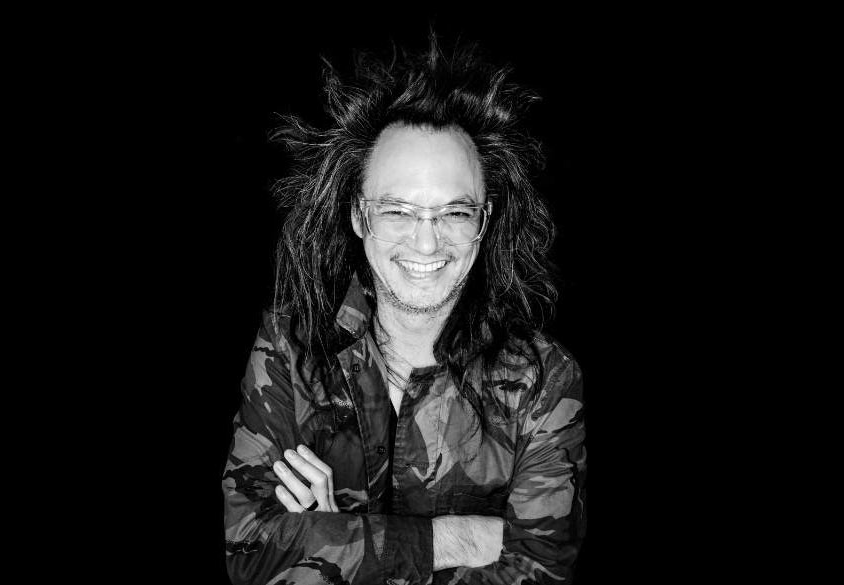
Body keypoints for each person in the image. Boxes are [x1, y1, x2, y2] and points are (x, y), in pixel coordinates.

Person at [222, 35, 586, 585]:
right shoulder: (289, 348)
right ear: (358, 215)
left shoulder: (545, 381)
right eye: (397, 210)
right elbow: (247, 550)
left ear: (484, 222)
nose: (426, 242)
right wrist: (460, 538)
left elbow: (541, 570)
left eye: (455, 213)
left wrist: (338, 543)